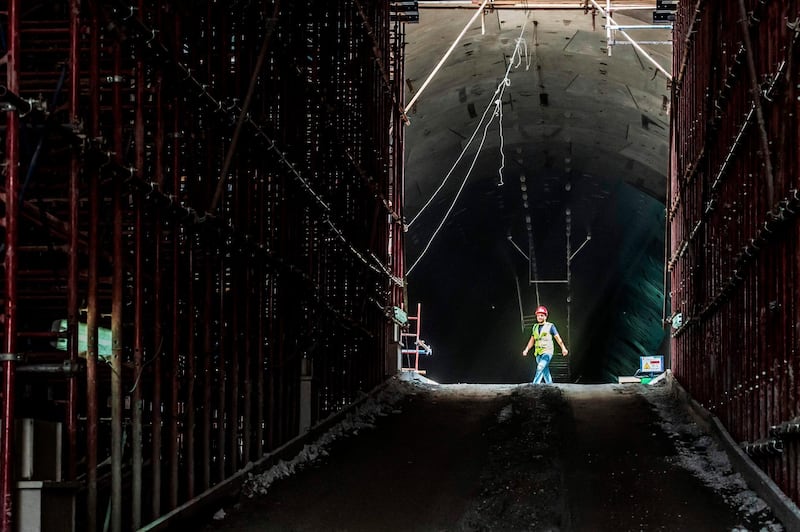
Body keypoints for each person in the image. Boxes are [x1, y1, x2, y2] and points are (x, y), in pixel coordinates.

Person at [522, 305, 568, 384]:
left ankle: (534, 386)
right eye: (538, 315)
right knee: (545, 371)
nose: (539, 317)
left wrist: (563, 348)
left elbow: (557, 338)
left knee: (540, 367)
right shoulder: (535, 327)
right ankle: (551, 387)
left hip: (547, 352)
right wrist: (526, 349)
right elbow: (532, 340)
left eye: (541, 315)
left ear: (545, 316)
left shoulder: (550, 326)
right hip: (538, 353)